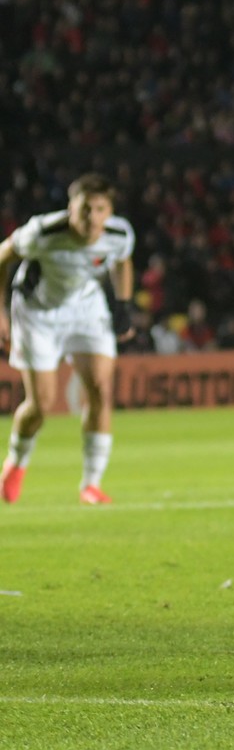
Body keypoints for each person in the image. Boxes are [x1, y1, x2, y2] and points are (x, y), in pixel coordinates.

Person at [0, 173, 137, 504]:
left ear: (110, 212)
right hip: (37, 313)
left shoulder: (119, 234)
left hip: (86, 310)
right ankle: (16, 464)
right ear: (70, 208)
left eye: (100, 209)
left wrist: (122, 306)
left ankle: (91, 484)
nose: (92, 218)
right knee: (41, 404)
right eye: (84, 209)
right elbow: (3, 257)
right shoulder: (42, 232)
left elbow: (122, 262)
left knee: (102, 390)